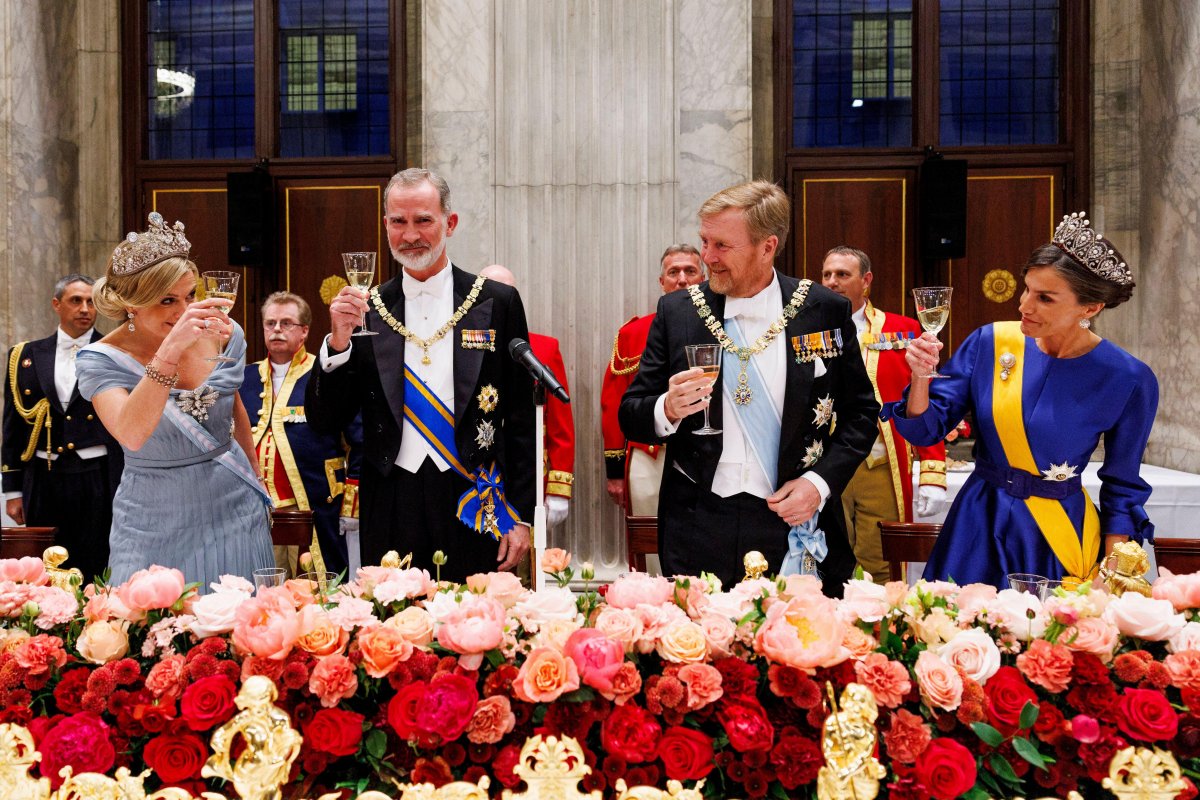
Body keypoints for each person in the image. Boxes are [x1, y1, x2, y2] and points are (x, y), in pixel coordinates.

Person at [619, 181, 879, 593]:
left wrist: (819, 484)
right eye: (704, 242)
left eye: (722, 245)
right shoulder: (679, 311)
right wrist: (666, 408)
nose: (707, 258)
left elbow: (861, 415)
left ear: (766, 247)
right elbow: (631, 413)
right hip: (697, 524)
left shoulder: (823, 310)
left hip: (792, 518)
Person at [884, 212, 1158, 589]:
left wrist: (1112, 577)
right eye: (1027, 289)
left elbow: (1122, 484)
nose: (1024, 305)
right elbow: (924, 430)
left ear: (1090, 308)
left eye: (1044, 298)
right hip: (978, 524)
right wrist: (919, 377)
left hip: (1057, 536)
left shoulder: (1129, 378)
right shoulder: (990, 342)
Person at [305, 168, 535, 582]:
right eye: (399, 221)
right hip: (391, 497)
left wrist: (521, 515)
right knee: (396, 634)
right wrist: (337, 345)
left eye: (423, 220)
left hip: (475, 496)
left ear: (450, 223)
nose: (410, 234)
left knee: (474, 626)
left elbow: (520, 416)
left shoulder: (496, 301)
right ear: (386, 225)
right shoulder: (366, 308)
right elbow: (324, 420)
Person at [74, 212, 274, 589]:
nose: (185, 311)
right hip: (153, 516)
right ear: (132, 304)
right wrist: (169, 354)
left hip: (235, 509)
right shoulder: (99, 359)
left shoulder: (221, 332)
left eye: (191, 295)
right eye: (167, 300)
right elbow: (131, 433)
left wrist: (255, 479)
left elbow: (234, 407)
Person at [820, 246, 947, 583]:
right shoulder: (807, 330)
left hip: (880, 467)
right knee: (823, 564)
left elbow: (923, 400)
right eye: (827, 275)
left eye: (843, 275)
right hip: (824, 468)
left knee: (881, 568)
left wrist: (932, 472)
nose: (832, 282)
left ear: (866, 281)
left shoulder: (903, 330)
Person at [2, 275, 123, 581]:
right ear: (56, 305)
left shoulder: (116, 351)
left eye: (91, 302)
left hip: (97, 475)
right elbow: (13, 426)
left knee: (97, 562)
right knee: (44, 566)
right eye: (76, 301)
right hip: (44, 477)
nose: (85, 309)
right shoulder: (25, 356)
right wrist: (12, 491)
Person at [239, 292, 363, 577]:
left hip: (314, 503)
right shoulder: (244, 377)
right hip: (257, 511)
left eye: (286, 323)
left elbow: (356, 439)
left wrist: (351, 502)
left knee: (312, 587)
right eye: (270, 323)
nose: (277, 329)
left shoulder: (325, 372)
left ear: (304, 331)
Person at [601, 244, 705, 517]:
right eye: (674, 272)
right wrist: (615, 471)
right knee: (649, 549)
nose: (682, 279)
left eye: (690, 271)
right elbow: (614, 404)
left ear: (703, 279)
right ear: (662, 282)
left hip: (706, 454)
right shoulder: (633, 333)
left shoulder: (725, 327)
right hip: (650, 456)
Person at [478, 265, 574, 527]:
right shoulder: (464, 348)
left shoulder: (542, 348)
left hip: (530, 472)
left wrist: (558, 487)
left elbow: (560, 423)